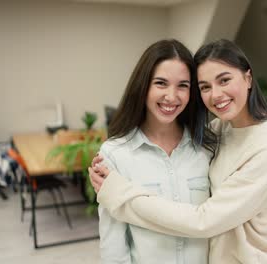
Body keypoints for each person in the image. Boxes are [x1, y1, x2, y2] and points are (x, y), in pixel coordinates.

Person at [90, 39, 267, 264]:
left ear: (248, 78)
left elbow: (205, 220)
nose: (216, 94)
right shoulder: (216, 133)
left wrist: (120, 195)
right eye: (205, 86)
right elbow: (113, 248)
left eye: (225, 80)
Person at [93, 39, 217, 264]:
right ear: (144, 85)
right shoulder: (115, 153)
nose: (172, 96)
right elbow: (114, 247)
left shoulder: (207, 148)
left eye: (183, 85)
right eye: (161, 83)